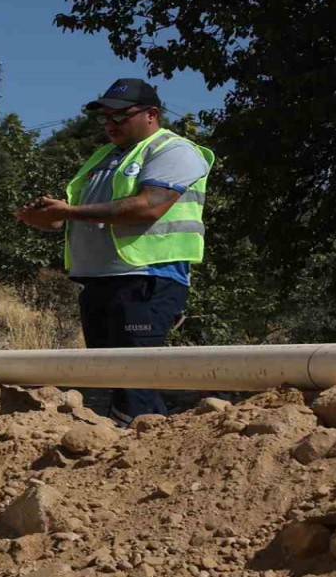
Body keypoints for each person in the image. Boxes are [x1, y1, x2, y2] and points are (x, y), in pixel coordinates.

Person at [15, 78, 214, 425]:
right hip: (100, 280)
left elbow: (148, 207)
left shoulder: (173, 150)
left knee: (134, 377)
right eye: (105, 117)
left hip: (146, 278)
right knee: (113, 376)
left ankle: (143, 448)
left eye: (119, 116)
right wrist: (47, 219)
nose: (109, 124)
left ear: (151, 114)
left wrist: (67, 213)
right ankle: (129, 444)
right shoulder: (104, 157)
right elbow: (82, 215)